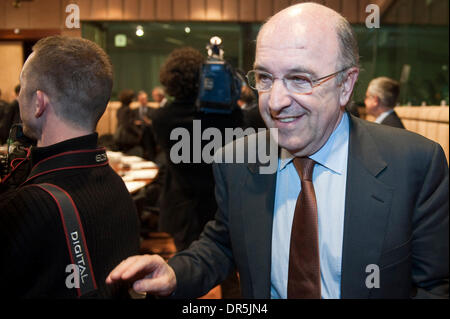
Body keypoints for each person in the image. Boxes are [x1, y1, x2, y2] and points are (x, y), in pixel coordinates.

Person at [107, 3, 448, 299]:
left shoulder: (414, 164)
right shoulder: (236, 161)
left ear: (346, 85)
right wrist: (175, 274)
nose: (277, 101)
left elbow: (435, 285)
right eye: (266, 78)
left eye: (300, 78)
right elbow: (223, 242)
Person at [0, 36, 140, 298]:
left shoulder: (27, 207)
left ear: (39, 103)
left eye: (22, 89)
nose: (19, 98)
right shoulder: (116, 184)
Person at [149, 46, 243, 252]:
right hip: (222, 205)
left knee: (189, 270)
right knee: (228, 268)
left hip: (183, 208)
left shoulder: (160, 119)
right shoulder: (228, 116)